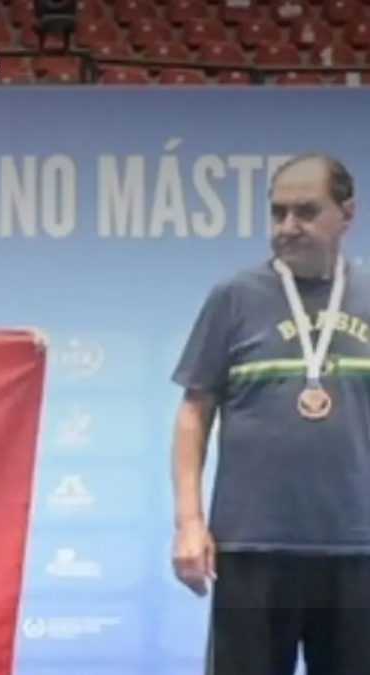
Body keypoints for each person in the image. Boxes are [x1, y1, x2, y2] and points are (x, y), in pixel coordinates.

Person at [170, 153, 370, 675]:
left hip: (358, 548)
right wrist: (189, 524)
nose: (288, 227)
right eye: (278, 213)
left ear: (347, 215)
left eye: (306, 211)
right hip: (251, 547)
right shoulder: (234, 297)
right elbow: (194, 411)